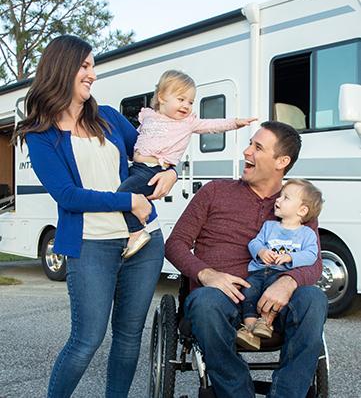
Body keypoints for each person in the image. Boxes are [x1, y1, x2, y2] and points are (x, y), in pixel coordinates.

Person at [12, 35, 177, 398]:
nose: (93, 75)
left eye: (92, 66)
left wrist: (171, 171)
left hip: (144, 240)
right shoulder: (40, 135)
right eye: (85, 66)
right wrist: (128, 202)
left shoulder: (109, 118)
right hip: (89, 245)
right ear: (63, 69)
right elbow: (68, 196)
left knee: (129, 337)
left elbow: (150, 154)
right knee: (86, 339)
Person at [165, 121, 328, 398]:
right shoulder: (214, 192)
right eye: (250, 144)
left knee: (314, 299)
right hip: (218, 299)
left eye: (257, 147)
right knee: (205, 303)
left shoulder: (296, 204)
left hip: (273, 308)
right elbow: (175, 244)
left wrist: (288, 282)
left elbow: (313, 262)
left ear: (281, 161)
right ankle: (237, 392)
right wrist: (206, 274)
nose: (246, 152)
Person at [118, 69, 255, 259]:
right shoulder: (148, 116)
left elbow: (213, 125)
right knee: (121, 191)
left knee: (123, 194)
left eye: (190, 102)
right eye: (181, 99)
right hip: (137, 167)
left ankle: (136, 232)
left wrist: (236, 123)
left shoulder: (187, 123)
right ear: (162, 97)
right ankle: (137, 219)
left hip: (154, 170)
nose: (186, 106)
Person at [236, 178, 324, 350]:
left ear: (302, 210)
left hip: (279, 276)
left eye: (285, 198)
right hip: (259, 272)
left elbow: (311, 255)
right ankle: (249, 329)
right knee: (249, 293)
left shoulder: (306, 234)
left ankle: (266, 324)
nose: (277, 200)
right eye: (280, 196)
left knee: (273, 298)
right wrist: (261, 251)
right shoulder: (269, 226)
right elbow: (254, 243)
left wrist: (291, 257)